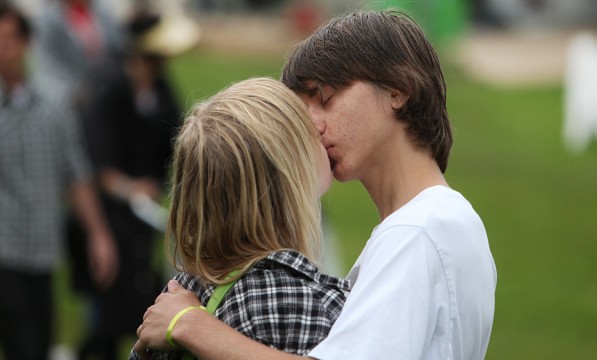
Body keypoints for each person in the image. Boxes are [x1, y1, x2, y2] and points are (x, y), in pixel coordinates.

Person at [135, 9, 497, 360]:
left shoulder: (418, 232)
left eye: (325, 98)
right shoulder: (423, 224)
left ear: (397, 90)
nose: (314, 126)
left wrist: (190, 325)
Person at [129, 77, 349, 359]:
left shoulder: (179, 296)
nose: (320, 128)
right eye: (306, 135)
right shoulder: (323, 308)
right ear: (290, 179)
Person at [0, 3, 118, 360]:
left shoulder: (53, 105)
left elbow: (76, 175)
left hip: (44, 251)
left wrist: (99, 234)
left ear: (25, 43)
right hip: (4, 252)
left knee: (41, 344)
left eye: (8, 40)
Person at [71, 11, 188, 360]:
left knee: (140, 302)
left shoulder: (164, 93)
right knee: (106, 315)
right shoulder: (108, 92)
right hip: (105, 220)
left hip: (142, 223)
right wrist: (130, 188)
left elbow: (175, 147)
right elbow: (96, 165)